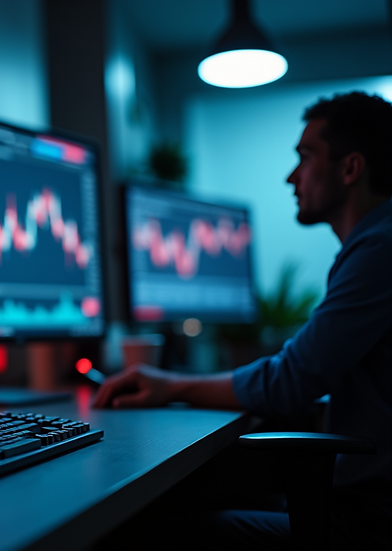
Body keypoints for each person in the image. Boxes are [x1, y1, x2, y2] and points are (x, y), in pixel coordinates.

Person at [95, 91, 392, 549]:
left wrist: (171, 385)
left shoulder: (378, 250)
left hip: (368, 523)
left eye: (305, 157)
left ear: (351, 168)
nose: (291, 176)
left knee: (140, 532)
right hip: (361, 502)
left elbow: (290, 382)